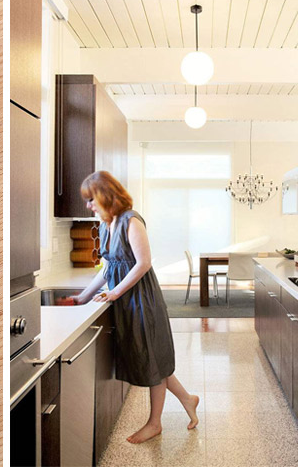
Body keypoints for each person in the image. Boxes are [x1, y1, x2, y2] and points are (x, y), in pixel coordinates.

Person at [73, 171, 199, 444]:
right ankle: (188, 400)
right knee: (153, 361)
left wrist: (115, 292)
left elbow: (143, 263)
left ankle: (154, 424)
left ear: (105, 195)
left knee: (152, 360)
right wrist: (82, 297)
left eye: (91, 199)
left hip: (142, 301)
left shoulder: (131, 220)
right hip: (126, 300)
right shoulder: (107, 223)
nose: (88, 205)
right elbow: (108, 267)